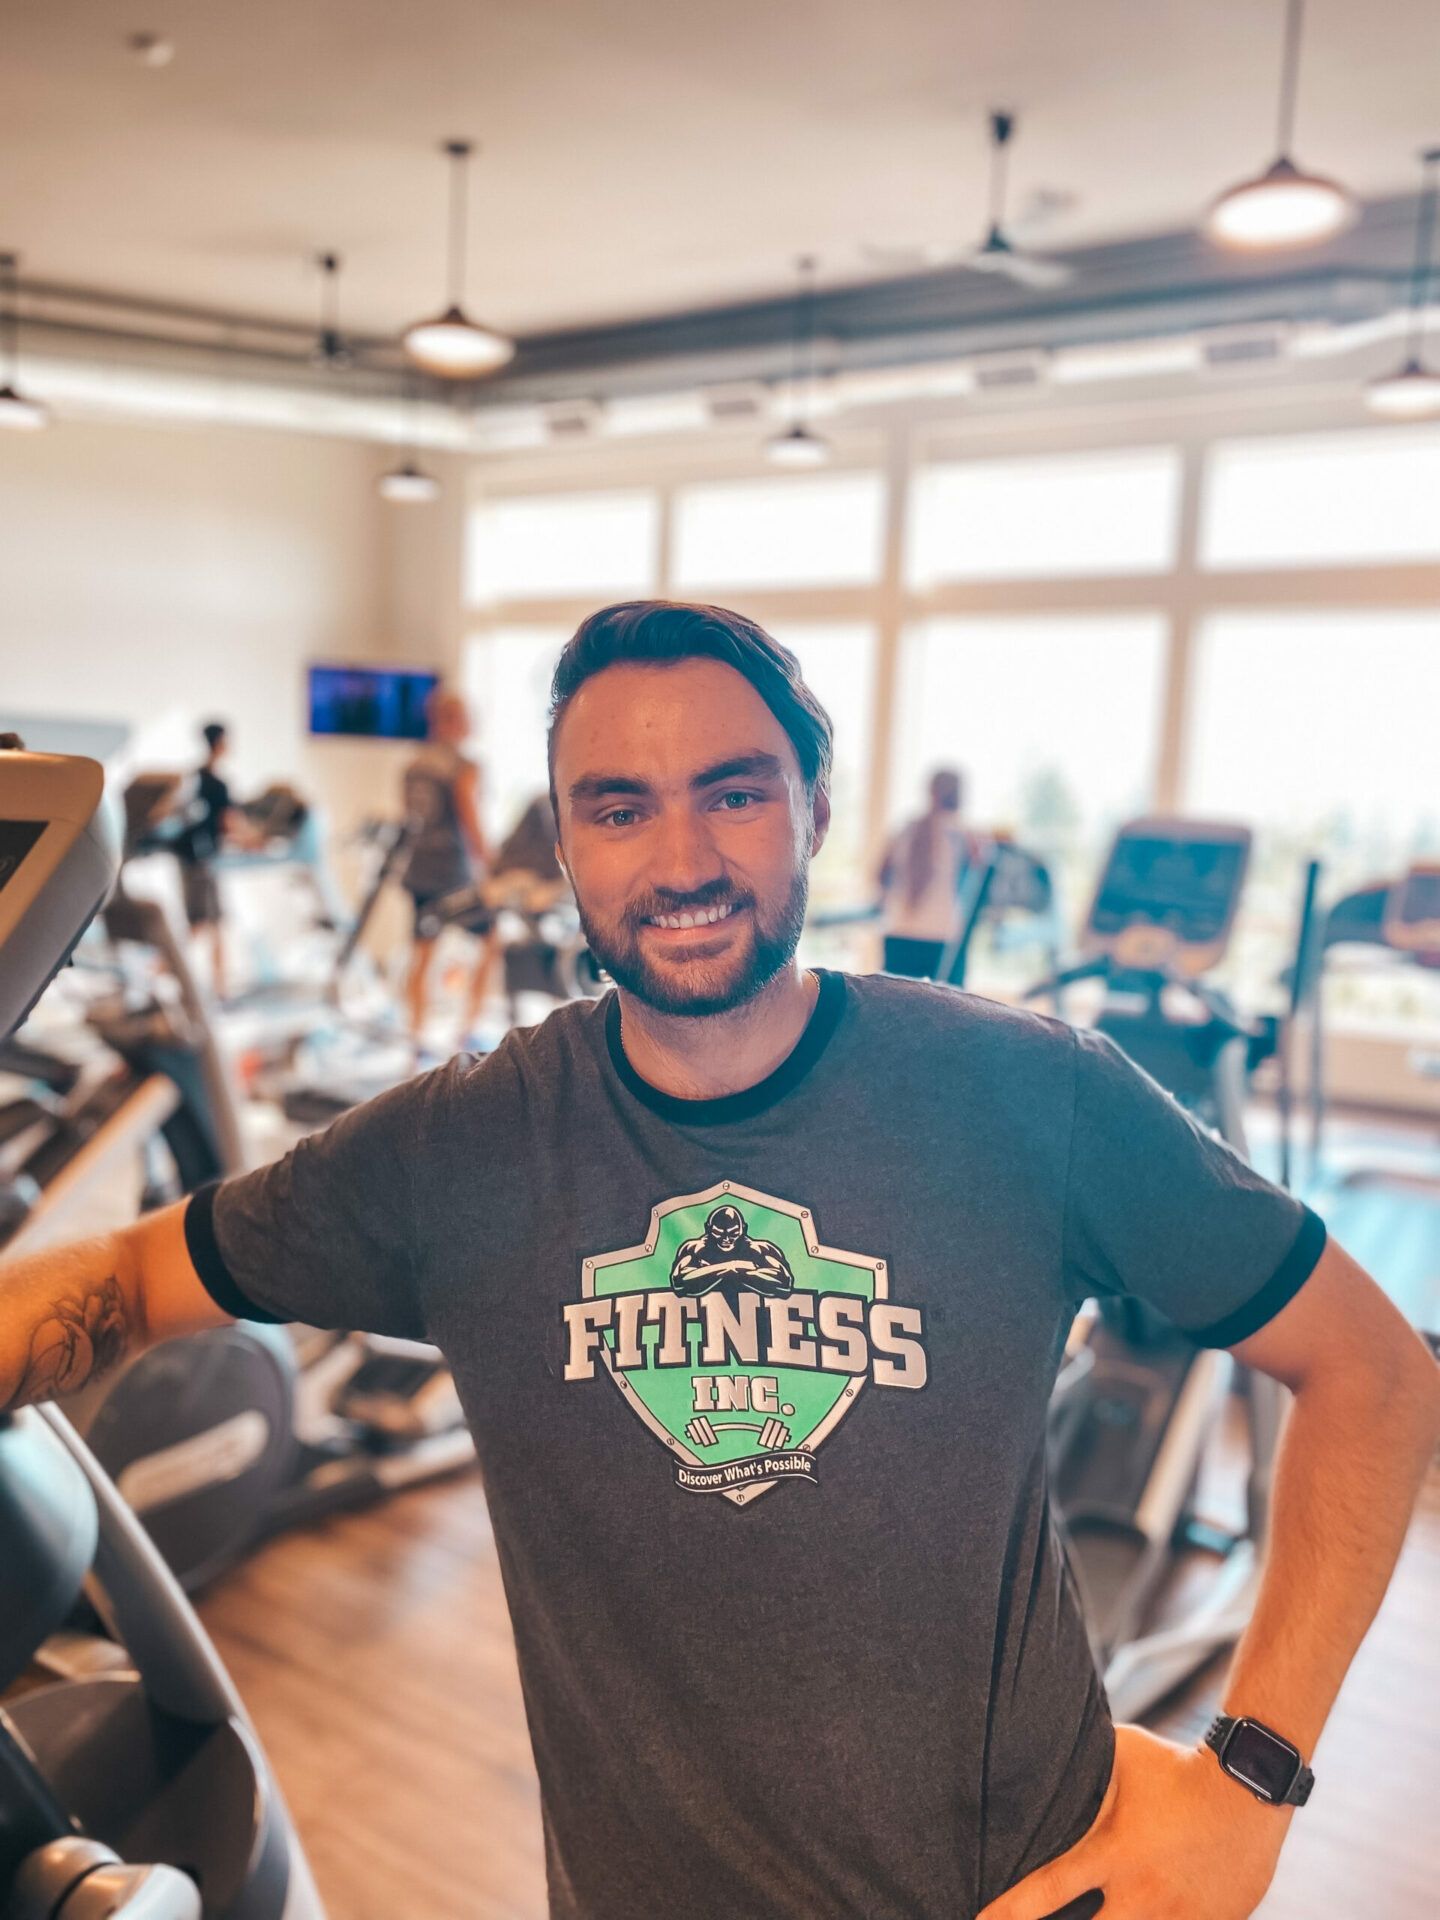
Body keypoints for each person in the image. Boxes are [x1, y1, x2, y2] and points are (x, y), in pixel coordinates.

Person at [3, 600, 1437, 1920]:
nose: (681, 862)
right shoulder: (461, 1149)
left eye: (735, 793)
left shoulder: (1025, 1091)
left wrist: (1250, 1786)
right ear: (566, 844)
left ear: (817, 809)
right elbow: (123, 1280)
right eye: (619, 808)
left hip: (1023, 1890)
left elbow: (1373, 1372)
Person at [399, 688, 497, 1049]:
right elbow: (471, 825)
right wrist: (493, 867)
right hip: (454, 876)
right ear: (454, 721)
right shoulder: (463, 767)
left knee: (422, 955)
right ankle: (468, 1031)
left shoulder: (413, 766)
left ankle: (414, 1037)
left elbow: (411, 821)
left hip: (419, 872)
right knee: (492, 943)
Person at [877, 765, 985, 980]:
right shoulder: (966, 835)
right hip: (942, 937)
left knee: (895, 1000)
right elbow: (980, 884)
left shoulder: (906, 828)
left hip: (898, 931)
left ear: (931, 792)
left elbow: (880, 876)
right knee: (945, 1002)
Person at [173, 720, 239, 1000]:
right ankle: (156, 973)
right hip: (203, 861)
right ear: (220, 743)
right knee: (204, 924)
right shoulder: (217, 784)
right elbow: (229, 823)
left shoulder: (193, 778)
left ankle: (219, 986)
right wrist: (256, 841)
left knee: (207, 923)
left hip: (190, 859)